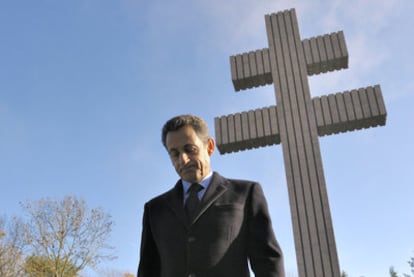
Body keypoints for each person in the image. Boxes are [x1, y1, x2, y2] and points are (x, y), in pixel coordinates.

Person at [137, 114, 285, 277]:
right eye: (175, 154)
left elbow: (267, 262)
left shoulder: (246, 193)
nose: (183, 160)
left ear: (209, 147)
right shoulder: (155, 209)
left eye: (190, 149)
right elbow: (148, 270)